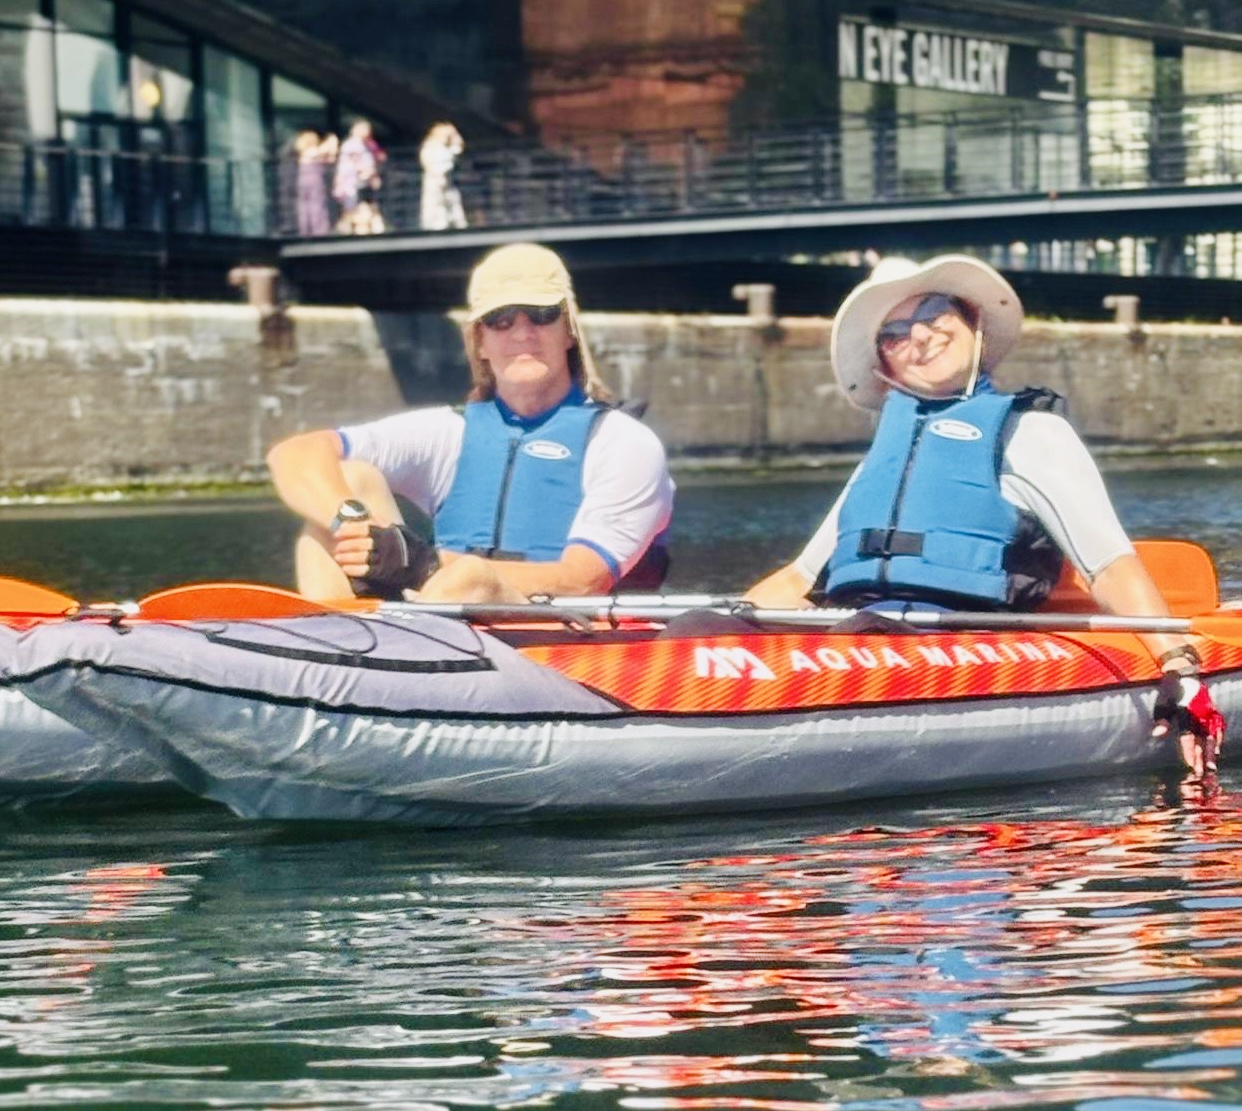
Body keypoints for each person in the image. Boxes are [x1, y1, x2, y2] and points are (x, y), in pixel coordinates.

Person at [745, 254, 1225, 778]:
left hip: (954, 632)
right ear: (884, 365)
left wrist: (1179, 666)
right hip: (862, 625)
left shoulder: (1032, 432)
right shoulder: (889, 454)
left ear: (973, 319)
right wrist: (709, 624)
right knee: (703, 626)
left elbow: (1108, 565)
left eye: (932, 312)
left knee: (862, 633)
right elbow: (799, 577)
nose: (920, 336)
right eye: (895, 333)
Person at [266, 241, 673, 605]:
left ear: (568, 331)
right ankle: (334, 644)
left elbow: (584, 580)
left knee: (473, 577)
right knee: (349, 480)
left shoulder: (623, 443)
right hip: (435, 625)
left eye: (540, 315)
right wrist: (357, 526)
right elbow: (294, 453)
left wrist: (423, 566)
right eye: (500, 320)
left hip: (558, 633)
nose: (522, 334)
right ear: (479, 341)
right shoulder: (450, 432)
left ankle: (377, 661)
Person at [333, 119, 385, 235]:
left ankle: (376, 230)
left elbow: (376, 158)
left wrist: (373, 176)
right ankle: (345, 232)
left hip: (364, 182)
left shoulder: (367, 144)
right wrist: (368, 172)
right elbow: (355, 161)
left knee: (371, 207)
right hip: (352, 182)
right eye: (363, 128)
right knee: (350, 210)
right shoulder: (351, 144)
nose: (366, 131)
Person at [419, 122, 467, 231]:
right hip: (435, 182)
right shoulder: (430, 147)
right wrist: (439, 176)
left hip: (446, 182)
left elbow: (458, 148)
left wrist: (455, 136)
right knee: (435, 209)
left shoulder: (445, 148)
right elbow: (430, 164)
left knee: (454, 206)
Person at [293, 130, 337, 236]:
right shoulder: (310, 151)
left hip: (303, 181)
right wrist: (331, 140)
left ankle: (306, 229)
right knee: (316, 204)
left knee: (305, 205)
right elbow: (323, 150)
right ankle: (319, 230)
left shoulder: (303, 153)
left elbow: (329, 159)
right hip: (313, 180)